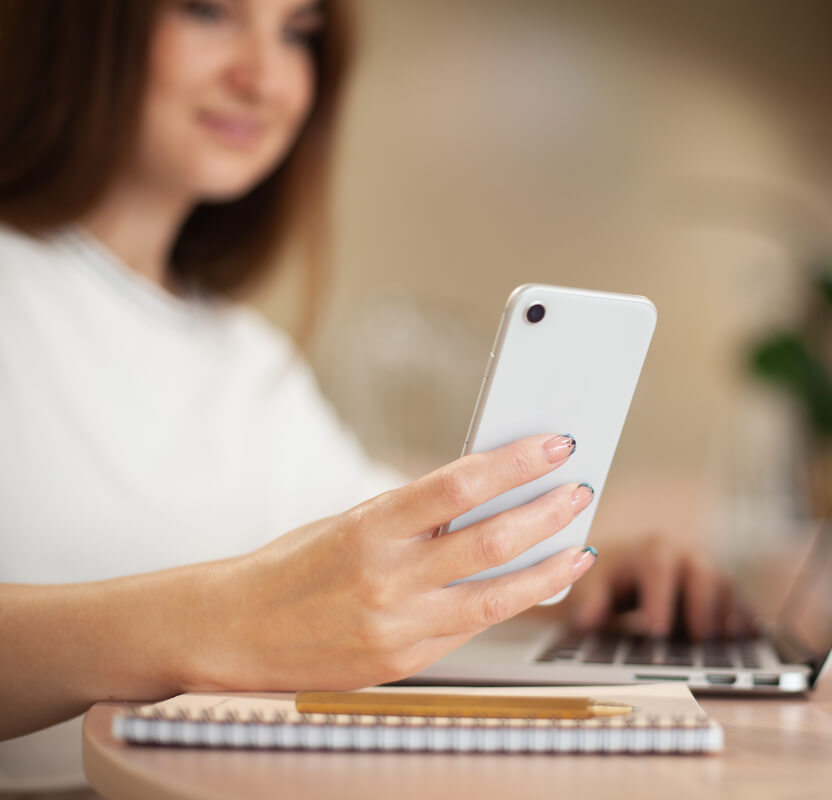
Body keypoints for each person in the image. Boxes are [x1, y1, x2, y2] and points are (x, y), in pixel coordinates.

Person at [0, 0, 742, 791]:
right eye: (208, 12)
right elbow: (273, 602)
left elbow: (382, 545)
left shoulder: (244, 355)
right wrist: (225, 623)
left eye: (296, 34)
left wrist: (591, 571)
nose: (263, 78)